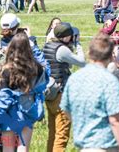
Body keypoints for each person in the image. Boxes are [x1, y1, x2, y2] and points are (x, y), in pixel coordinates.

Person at [60, 33, 119, 151]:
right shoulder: (110, 81)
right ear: (111, 57)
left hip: (84, 146)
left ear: (89, 53)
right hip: (106, 146)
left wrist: (83, 123)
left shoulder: (74, 78)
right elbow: (116, 121)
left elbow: (65, 108)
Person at [0, 33, 48, 152]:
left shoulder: (7, 70)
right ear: (28, 48)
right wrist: (35, 49)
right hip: (28, 109)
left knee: (8, 148)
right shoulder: (37, 68)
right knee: (23, 147)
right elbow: (46, 74)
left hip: (9, 114)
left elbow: (3, 96)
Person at [44, 22, 86, 152]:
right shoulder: (62, 50)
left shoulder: (47, 45)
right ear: (66, 37)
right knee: (62, 134)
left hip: (50, 93)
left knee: (53, 132)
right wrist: (78, 45)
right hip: (60, 96)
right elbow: (82, 62)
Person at [0, 13, 50, 92]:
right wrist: (30, 39)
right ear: (17, 27)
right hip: (22, 87)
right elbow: (39, 64)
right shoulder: (26, 45)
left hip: (1, 87)